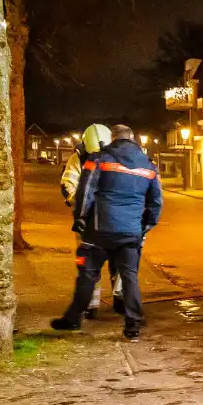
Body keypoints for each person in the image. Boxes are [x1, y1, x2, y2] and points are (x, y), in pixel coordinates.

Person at [52, 125, 162, 341]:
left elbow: (86, 193)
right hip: (131, 233)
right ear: (133, 139)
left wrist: (81, 220)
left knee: (87, 274)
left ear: (112, 139)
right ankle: (132, 326)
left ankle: (74, 318)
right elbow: (156, 203)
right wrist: (145, 227)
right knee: (130, 277)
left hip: (99, 231)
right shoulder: (149, 165)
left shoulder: (98, 159)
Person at [61, 124, 122, 317]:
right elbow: (67, 185)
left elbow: (68, 186)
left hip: (99, 219)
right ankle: (94, 304)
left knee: (105, 262)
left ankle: (116, 299)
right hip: (101, 219)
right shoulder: (78, 158)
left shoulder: (80, 159)